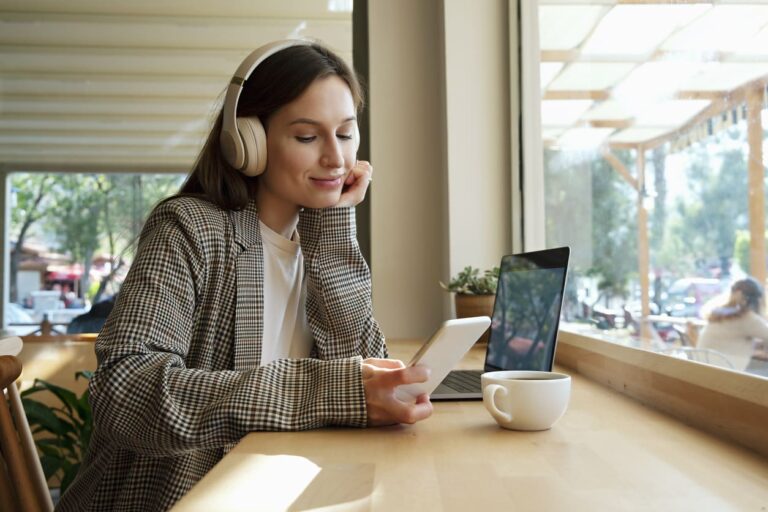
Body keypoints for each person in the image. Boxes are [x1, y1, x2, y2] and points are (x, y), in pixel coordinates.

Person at [57, 39, 432, 511]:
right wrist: (326, 390)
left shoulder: (320, 242)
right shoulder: (189, 229)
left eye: (346, 132)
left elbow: (357, 372)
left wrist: (334, 230)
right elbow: (126, 392)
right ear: (248, 140)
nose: (337, 158)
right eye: (307, 136)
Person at [697, 277, 768, 371]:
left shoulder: (720, 314)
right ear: (758, 300)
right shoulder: (747, 318)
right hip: (726, 373)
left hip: (702, 369)